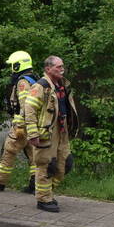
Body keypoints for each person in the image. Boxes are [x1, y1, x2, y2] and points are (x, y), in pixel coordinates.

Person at [23, 55, 79, 213]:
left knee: (65, 164)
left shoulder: (61, 85)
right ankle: (43, 199)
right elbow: (29, 110)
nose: (62, 69)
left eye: (62, 66)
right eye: (58, 67)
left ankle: (46, 191)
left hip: (61, 132)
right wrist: (33, 133)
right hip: (45, 133)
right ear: (48, 69)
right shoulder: (40, 87)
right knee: (45, 165)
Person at [0, 51, 39, 194]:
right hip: (34, 124)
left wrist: (19, 124)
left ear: (18, 66)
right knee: (33, 154)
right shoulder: (34, 78)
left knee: (9, 149)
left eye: (12, 65)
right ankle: (35, 184)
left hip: (23, 125)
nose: (11, 69)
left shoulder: (22, 82)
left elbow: (26, 105)